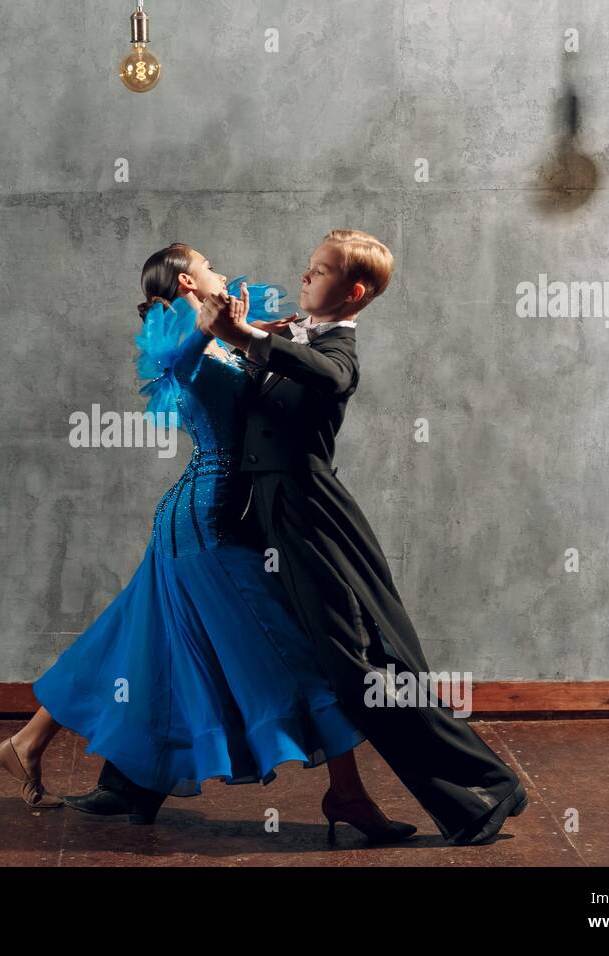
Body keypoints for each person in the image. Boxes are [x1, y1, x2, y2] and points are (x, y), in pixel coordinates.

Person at [0, 241, 416, 842]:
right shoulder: (182, 341)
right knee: (301, 651)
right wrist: (236, 329)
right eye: (208, 264)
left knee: (136, 643)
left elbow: (249, 350)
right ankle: (347, 794)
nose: (221, 268)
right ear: (189, 286)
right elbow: (192, 350)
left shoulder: (218, 333)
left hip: (198, 521)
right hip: (206, 527)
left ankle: (29, 742)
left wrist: (254, 328)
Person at [202, 229, 529, 846]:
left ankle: (484, 785)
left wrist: (246, 338)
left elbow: (327, 376)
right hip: (274, 516)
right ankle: (467, 796)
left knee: (361, 671)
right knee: (337, 667)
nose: (304, 277)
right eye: (307, 266)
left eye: (319, 271)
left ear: (353, 292)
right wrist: (255, 335)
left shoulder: (339, 353)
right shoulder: (294, 335)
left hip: (311, 516)